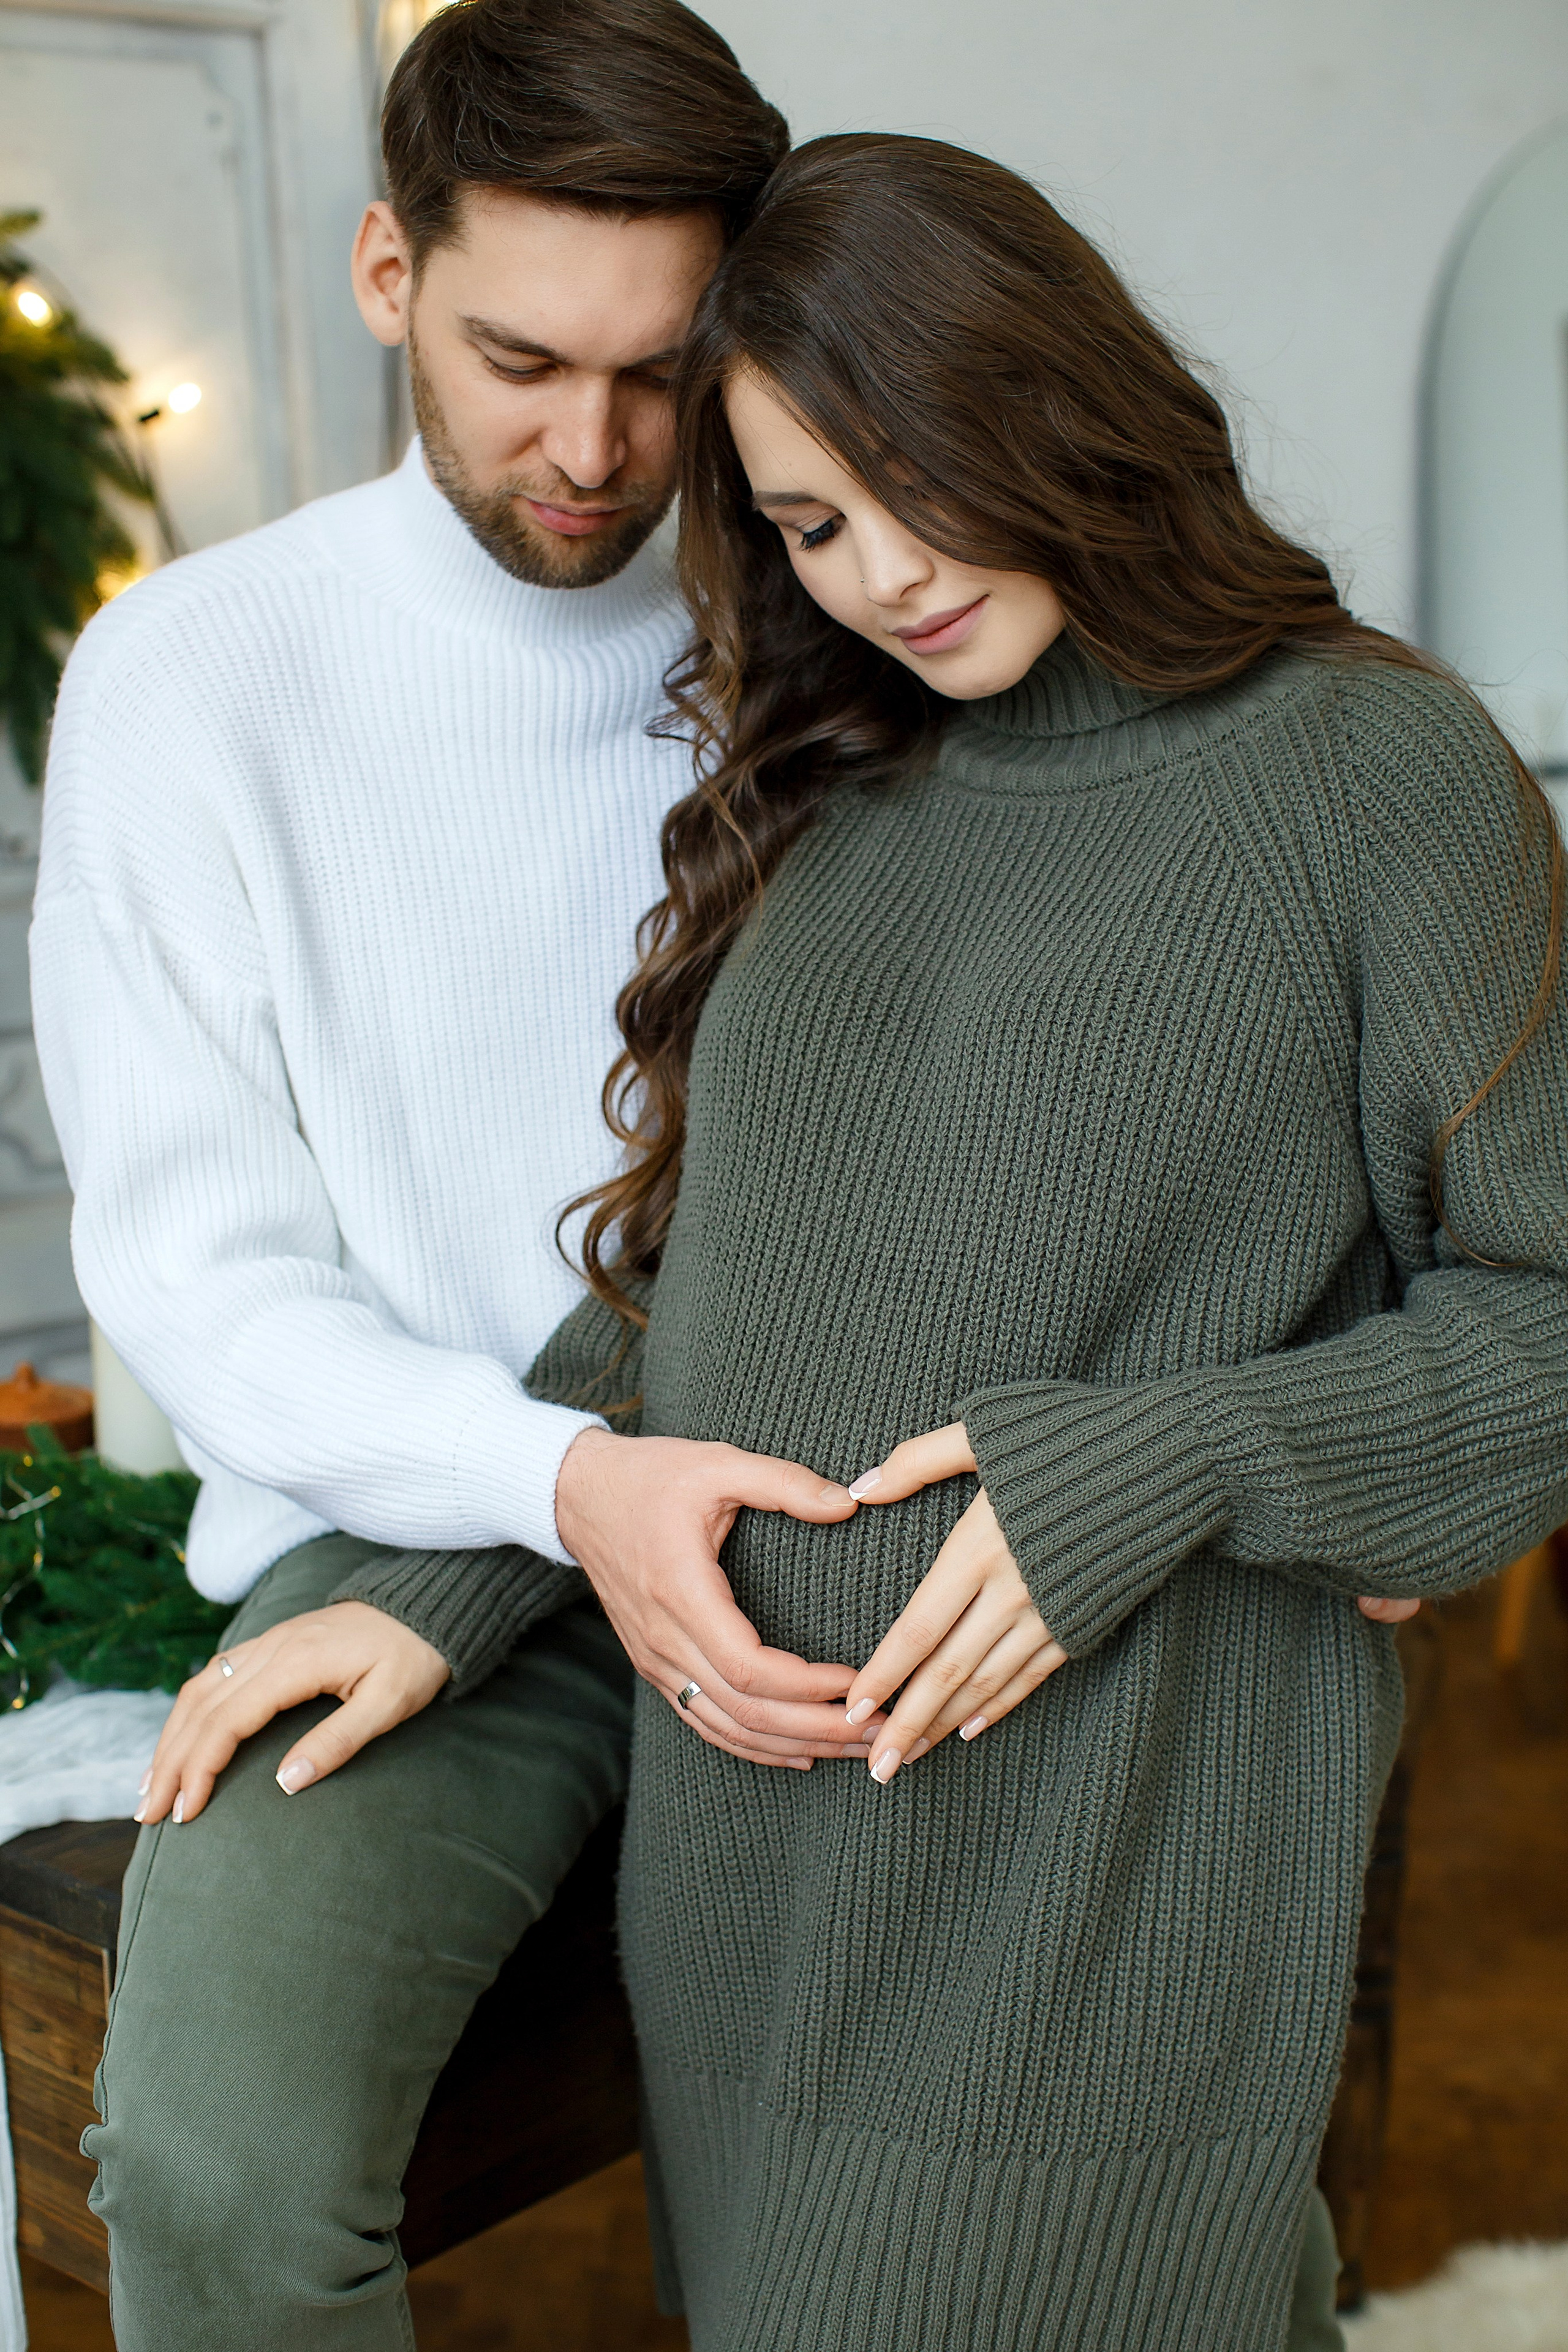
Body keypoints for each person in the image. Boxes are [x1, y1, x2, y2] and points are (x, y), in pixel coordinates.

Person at [147, 130, 1568, 2346]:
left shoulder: (1376, 777)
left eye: (924, 478)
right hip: (752, 1884)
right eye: (812, 524)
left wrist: (1152, 1466)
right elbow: (687, 1299)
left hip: (1107, 1856)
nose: (886, 571)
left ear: (1055, 396)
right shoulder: (842, 791)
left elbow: (1548, 1318)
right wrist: (438, 1579)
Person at [29, 8, 882, 2346]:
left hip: (831, 1503)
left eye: (662, 365)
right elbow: (199, 1282)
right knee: (214, 2171)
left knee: (912, 2185)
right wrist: (554, 1480)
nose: (593, 447)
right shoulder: (191, 680)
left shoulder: (841, 609)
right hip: (414, 1532)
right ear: (387, 265)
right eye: (522, 355)